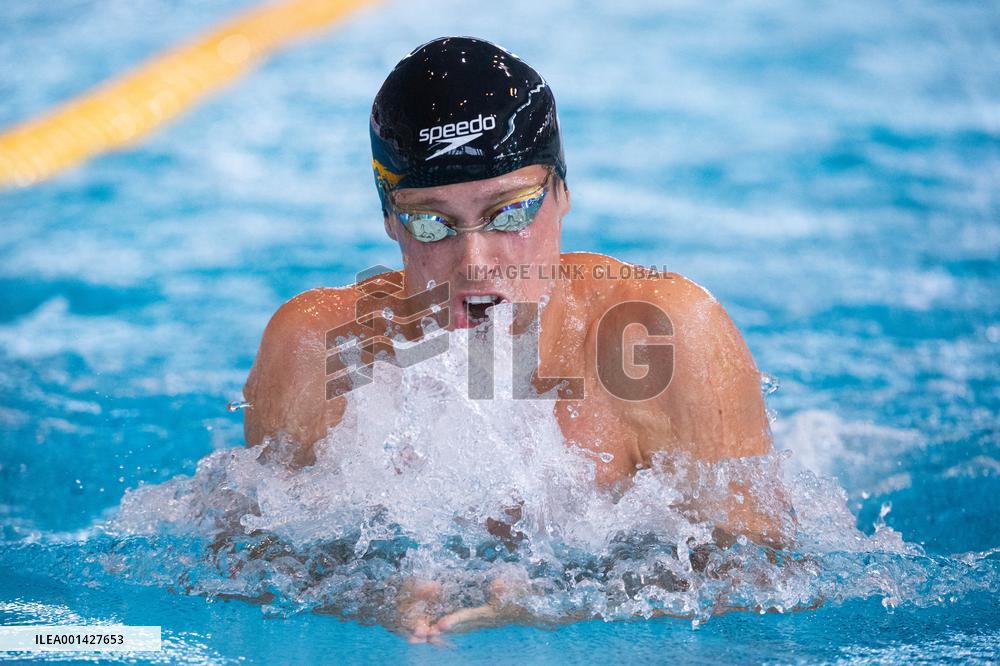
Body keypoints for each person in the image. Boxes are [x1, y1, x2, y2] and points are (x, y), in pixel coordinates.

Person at [242, 36, 785, 640]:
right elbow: (246, 553)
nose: (474, 264)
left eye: (510, 213)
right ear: (391, 220)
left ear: (562, 191)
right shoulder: (316, 347)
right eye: (432, 222)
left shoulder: (662, 334)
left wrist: (563, 604)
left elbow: (767, 574)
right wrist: (364, 600)